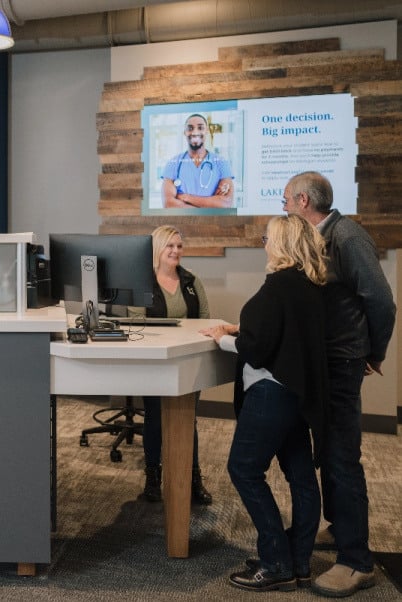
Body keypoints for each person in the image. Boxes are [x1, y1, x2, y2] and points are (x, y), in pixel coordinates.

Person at [282, 171, 396, 597]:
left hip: (343, 361)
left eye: (285, 201)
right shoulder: (318, 236)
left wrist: (374, 352)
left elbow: (381, 301)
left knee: (341, 457)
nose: (284, 208)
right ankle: (340, 527)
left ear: (304, 200)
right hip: (324, 361)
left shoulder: (347, 236)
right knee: (327, 452)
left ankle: (356, 561)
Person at [202, 214, 329, 592]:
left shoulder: (277, 286)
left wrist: (221, 339)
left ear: (283, 243)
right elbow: (285, 332)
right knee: (302, 479)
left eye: (267, 237)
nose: (264, 244)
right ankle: (298, 561)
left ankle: (276, 562)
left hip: (271, 393)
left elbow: (257, 349)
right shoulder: (311, 285)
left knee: (243, 469)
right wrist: (238, 328)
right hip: (298, 397)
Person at [139, 225, 212, 505]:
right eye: (170, 246)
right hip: (154, 361)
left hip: (187, 361)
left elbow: (206, 319)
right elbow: (135, 321)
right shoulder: (143, 282)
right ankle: (152, 478)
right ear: (157, 249)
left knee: (186, 418)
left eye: (179, 246)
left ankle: (193, 479)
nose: (176, 251)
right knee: (155, 417)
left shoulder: (192, 281)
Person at [161, 113, 234, 209]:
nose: (195, 132)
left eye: (200, 128)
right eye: (190, 128)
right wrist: (209, 205)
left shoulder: (221, 163)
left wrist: (187, 198)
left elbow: (226, 204)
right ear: (184, 132)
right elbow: (169, 204)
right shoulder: (173, 163)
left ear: (207, 131)